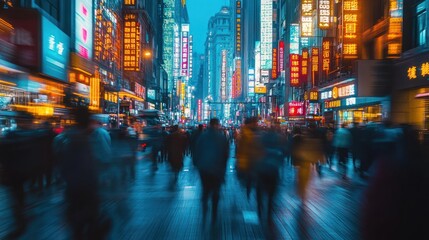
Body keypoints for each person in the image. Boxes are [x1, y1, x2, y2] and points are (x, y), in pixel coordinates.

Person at [53, 107, 111, 239]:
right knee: (92, 221)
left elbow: (60, 161)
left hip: (72, 187)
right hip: (90, 186)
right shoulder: (96, 136)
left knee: (77, 224)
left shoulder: (65, 138)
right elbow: (105, 158)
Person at [194, 118, 229, 223]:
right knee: (216, 189)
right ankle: (214, 212)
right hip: (217, 168)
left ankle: (204, 206)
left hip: (204, 167)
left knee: (205, 188)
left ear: (209, 124)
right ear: (217, 125)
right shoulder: (222, 137)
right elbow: (225, 154)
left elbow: (197, 150)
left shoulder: (202, 136)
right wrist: (223, 167)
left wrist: (196, 163)